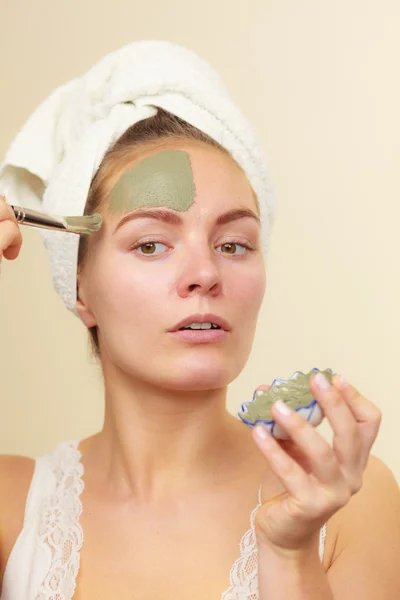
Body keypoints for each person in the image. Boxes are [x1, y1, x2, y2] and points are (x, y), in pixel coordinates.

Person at [0, 42, 399, 600]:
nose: (205, 273)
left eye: (234, 244)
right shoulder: (11, 509)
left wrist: (288, 554)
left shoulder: (353, 502)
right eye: (151, 244)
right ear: (79, 286)